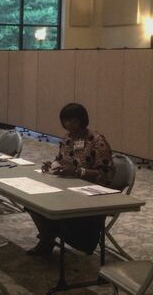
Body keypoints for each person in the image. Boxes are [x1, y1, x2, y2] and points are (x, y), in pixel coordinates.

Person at [26, 103, 115, 256]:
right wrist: (52, 164)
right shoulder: (68, 138)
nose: (68, 124)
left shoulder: (97, 141)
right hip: (65, 188)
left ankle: (49, 238)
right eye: (65, 121)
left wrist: (78, 171)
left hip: (88, 195)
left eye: (72, 121)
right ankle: (48, 237)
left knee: (44, 206)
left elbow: (106, 174)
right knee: (31, 200)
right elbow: (61, 159)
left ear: (82, 120)